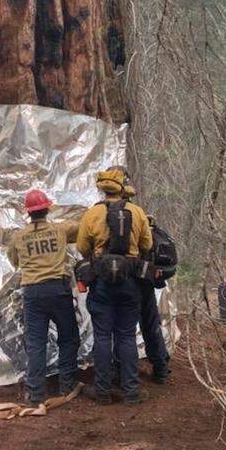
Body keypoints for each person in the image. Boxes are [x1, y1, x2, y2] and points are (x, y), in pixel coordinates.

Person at [76, 168, 153, 404]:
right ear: (122, 187)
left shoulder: (92, 214)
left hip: (102, 284)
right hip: (129, 282)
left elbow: (82, 247)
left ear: (102, 187)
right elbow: (147, 244)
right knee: (127, 337)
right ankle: (131, 392)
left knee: (102, 337)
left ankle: (102, 392)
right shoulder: (136, 212)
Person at [6, 189, 82, 406]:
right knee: (68, 338)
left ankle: (36, 394)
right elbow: (82, 229)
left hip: (33, 293)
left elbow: (15, 262)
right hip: (58, 290)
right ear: (47, 208)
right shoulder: (60, 230)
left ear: (28, 213)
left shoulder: (18, 237)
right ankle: (67, 385)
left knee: (36, 344)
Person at [124, 182, 170, 384]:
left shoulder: (108, 217)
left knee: (123, 329)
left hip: (127, 281)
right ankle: (161, 369)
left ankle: (124, 373)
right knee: (151, 325)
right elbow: (148, 245)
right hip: (145, 280)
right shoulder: (141, 215)